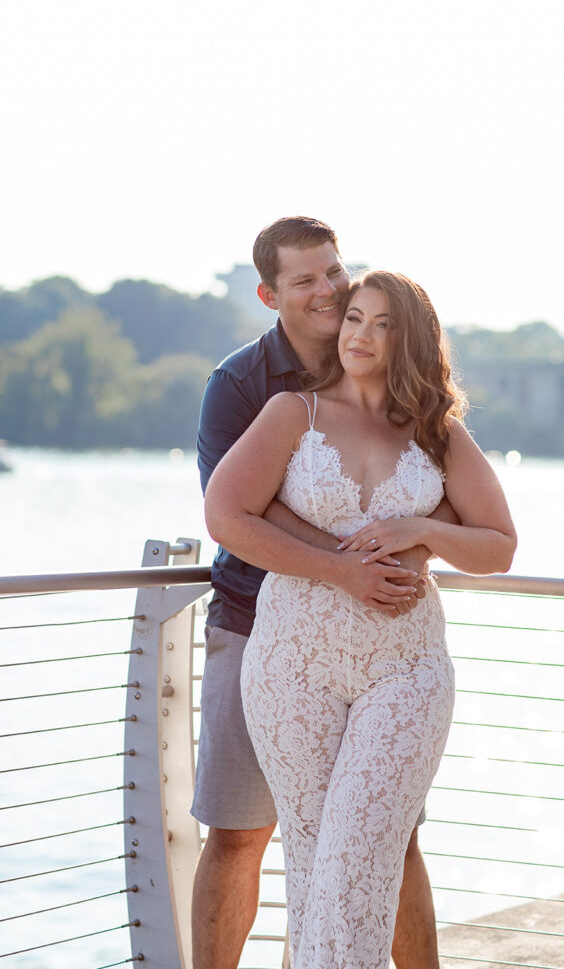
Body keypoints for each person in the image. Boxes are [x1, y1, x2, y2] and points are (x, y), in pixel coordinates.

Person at [204, 270, 517, 969]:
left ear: (409, 339)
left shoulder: (438, 432)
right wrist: (342, 570)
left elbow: (497, 545)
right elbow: (227, 516)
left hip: (404, 666)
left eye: (381, 324)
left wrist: (419, 528)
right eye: (352, 319)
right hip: (293, 660)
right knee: (317, 860)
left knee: (359, 849)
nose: (360, 336)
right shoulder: (293, 413)